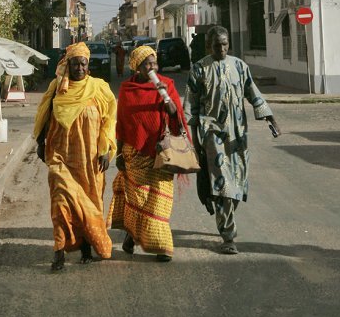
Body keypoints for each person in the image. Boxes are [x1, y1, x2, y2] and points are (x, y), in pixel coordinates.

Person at [184, 25, 280, 255]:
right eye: (217, 45)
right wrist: (195, 143)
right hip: (212, 135)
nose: (222, 49)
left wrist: (270, 118)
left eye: (225, 44)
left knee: (238, 182)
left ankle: (220, 208)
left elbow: (252, 92)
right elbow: (191, 110)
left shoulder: (239, 66)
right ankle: (228, 236)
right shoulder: (199, 69)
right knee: (224, 184)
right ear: (209, 46)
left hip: (238, 135)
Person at [34, 41, 117, 272]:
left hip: (90, 161)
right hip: (61, 156)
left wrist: (106, 151)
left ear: (88, 66)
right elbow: (46, 115)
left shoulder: (99, 88)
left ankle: (86, 248)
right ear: (67, 65)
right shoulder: (58, 87)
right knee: (60, 203)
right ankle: (58, 252)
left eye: (83, 64)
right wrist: (40, 143)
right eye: (75, 64)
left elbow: (109, 122)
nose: (79, 68)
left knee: (89, 205)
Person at [108, 44, 188, 262]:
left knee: (159, 201)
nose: (152, 67)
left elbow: (176, 117)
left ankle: (161, 247)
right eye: (147, 64)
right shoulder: (127, 90)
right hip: (134, 153)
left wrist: (166, 98)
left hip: (160, 152)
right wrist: (120, 155)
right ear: (137, 67)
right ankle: (132, 235)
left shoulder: (167, 85)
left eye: (154, 62)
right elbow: (122, 124)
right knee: (139, 200)